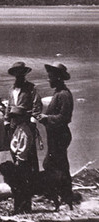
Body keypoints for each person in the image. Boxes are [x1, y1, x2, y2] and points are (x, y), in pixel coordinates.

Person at [38, 62, 74, 206]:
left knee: (57, 165)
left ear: (58, 78)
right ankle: (58, 194)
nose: (49, 80)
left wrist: (47, 118)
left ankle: (65, 195)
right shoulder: (58, 93)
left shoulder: (64, 94)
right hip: (56, 135)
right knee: (54, 164)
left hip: (61, 135)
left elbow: (65, 118)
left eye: (51, 77)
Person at [4, 61, 42, 175]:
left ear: (24, 74)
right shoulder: (11, 89)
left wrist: (33, 120)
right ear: (14, 75)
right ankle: (20, 179)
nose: (18, 75)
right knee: (15, 150)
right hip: (13, 124)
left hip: (26, 122)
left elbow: (37, 104)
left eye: (20, 73)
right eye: (16, 73)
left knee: (29, 151)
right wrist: (6, 120)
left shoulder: (31, 88)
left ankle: (34, 180)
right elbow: (9, 106)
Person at [8, 106, 35, 213]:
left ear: (21, 118)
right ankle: (21, 207)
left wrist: (19, 159)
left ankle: (23, 207)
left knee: (22, 185)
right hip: (20, 159)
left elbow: (23, 148)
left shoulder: (24, 131)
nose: (13, 120)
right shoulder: (19, 129)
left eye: (15, 118)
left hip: (23, 161)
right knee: (20, 185)